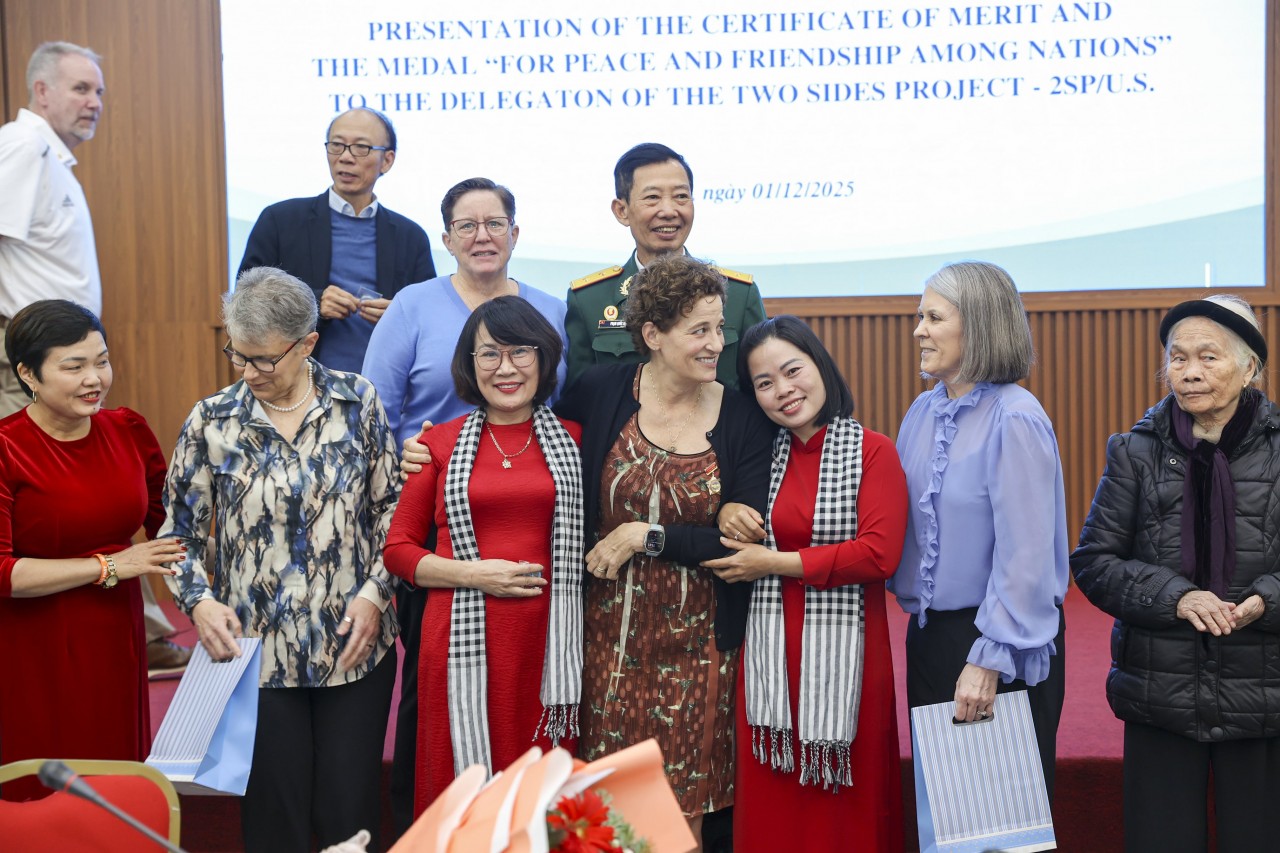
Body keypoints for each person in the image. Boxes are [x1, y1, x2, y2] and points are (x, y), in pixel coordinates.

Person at [161, 268, 400, 853]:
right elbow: (178, 537)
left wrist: (376, 594)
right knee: (274, 820)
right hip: (255, 655)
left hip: (354, 645)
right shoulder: (211, 420)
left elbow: (393, 512)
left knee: (351, 813)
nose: (249, 373)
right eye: (238, 356)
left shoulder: (357, 401)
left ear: (307, 343)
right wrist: (201, 602)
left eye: (264, 360)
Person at [362, 176, 566, 835]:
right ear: (445, 237)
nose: (482, 235)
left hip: (538, 534)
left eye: (495, 222)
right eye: (466, 224)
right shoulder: (414, 307)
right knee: (437, 715)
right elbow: (374, 413)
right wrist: (408, 455)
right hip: (439, 513)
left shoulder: (551, 307)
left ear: (515, 231)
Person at [555, 254, 773, 849]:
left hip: (699, 647)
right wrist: (431, 448)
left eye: (719, 327)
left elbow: (739, 538)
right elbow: (536, 450)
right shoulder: (598, 391)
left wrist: (643, 535)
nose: (715, 344)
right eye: (698, 330)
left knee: (681, 820)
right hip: (606, 641)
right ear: (652, 335)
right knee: (608, 812)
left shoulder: (743, 415)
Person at [1072, 295, 1280, 852]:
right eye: (1177, 357)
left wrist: (1266, 599)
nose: (1189, 372)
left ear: (1251, 367)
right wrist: (1178, 597)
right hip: (1159, 690)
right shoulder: (1134, 452)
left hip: (1264, 691)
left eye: (1208, 357)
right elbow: (1094, 561)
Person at [703, 316, 907, 852]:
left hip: (849, 664)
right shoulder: (754, 459)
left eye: (792, 370)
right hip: (769, 659)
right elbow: (722, 523)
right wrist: (728, 512)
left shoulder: (873, 451)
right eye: (764, 384)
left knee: (845, 809)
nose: (784, 391)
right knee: (774, 808)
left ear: (821, 366)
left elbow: (878, 554)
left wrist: (774, 563)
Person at [384, 296, 583, 813]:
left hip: (552, 649)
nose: (507, 368)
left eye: (521, 352)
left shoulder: (578, 441)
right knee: (465, 790)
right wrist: (475, 575)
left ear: (544, 357)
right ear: (470, 366)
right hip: (461, 644)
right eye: (489, 354)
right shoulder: (439, 444)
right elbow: (399, 551)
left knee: (544, 793)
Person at [889, 260, 1069, 798]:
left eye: (934, 317)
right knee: (947, 819)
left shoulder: (1016, 416)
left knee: (996, 826)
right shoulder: (922, 411)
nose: (919, 329)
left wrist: (988, 660)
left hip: (997, 648)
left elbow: (1027, 557)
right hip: (931, 638)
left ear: (981, 325)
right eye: (920, 315)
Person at [0, 300, 184, 801]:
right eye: (73, 365)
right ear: (28, 374)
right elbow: (2, 572)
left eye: (101, 361)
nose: (94, 379)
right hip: (31, 647)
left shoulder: (126, 428)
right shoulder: (7, 448)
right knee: (43, 788)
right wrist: (110, 565)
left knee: (114, 775)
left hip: (114, 637)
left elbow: (170, 527)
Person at [238, 107, 435, 373]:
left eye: (361, 148)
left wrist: (400, 316)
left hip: (386, 386)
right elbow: (245, 301)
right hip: (299, 382)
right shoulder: (280, 221)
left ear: (387, 160)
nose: (345, 157)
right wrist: (314, 302)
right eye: (337, 146)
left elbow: (431, 318)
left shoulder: (411, 237)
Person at [564, 142, 766, 391]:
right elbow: (579, 399)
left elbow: (760, 387)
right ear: (621, 210)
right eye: (652, 198)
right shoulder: (588, 300)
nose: (669, 211)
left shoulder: (739, 294)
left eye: (681, 196)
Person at [0, 42, 104, 418]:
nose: (95, 103)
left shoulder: (51, 155)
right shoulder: (24, 144)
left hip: (65, 355)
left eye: (98, 92)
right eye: (81, 89)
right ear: (42, 91)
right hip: (33, 354)